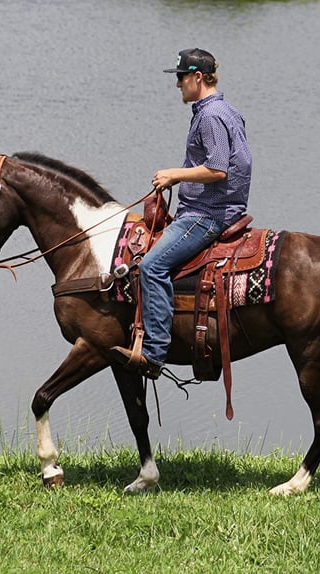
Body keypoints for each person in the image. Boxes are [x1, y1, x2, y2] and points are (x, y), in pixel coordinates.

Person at [110, 48, 252, 378]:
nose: (177, 85)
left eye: (180, 77)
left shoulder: (211, 117)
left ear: (197, 78)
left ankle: (154, 352)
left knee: (152, 265)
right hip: (213, 207)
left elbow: (217, 169)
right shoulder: (227, 111)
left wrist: (175, 174)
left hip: (207, 214)